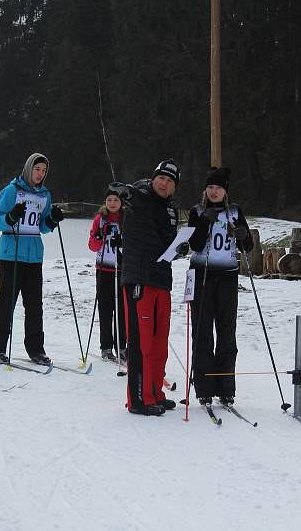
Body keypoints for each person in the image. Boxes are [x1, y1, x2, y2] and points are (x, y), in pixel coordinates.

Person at [111, 159, 185, 416]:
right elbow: (131, 197)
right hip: (139, 279)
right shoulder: (140, 196)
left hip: (162, 280)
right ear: (154, 178)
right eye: (161, 178)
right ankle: (139, 399)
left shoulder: (171, 210)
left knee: (159, 342)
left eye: (170, 181)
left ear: (174, 187)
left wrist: (179, 247)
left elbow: (167, 243)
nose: (164, 184)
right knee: (141, 342)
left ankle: (156, 392)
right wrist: (125, 193)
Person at [0, 153, 63, 365]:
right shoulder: (12, 190)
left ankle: (36, 349)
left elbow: (41, 226)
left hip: (34, 255)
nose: (40, 174)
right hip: (11, 253)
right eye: (37, 169)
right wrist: (10, 217)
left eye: (44, 171)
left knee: (34, 304)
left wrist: (52, 220)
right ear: (29, 169)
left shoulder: (45, 195)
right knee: (6, 303)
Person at [187, 167, 253, 406]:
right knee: (202, 332)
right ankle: (203, 387)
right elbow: (193, 244)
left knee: (227, 332)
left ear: (225, 191)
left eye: (218, 188)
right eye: (210, 187)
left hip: (227, 276)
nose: (214, 192)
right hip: (202, 275)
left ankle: (226, 387)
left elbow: (248, 247)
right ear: (205, 190)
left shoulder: (235, 212)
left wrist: (244, 236)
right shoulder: (196, 211)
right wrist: (205, 221)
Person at [87, 188, 126, 360]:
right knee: (105, 308)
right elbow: (92, 246)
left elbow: (132, 245)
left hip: (122, 270)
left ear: (121, 203)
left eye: (116, 200)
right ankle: (106, 347)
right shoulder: (100, 219)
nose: (112, 203)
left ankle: (121, 346)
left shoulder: (126, 219)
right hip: (104, 270)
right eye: (109, 200)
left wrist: (122, 242)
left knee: (122, 310)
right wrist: (98, 236)